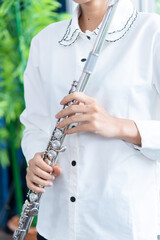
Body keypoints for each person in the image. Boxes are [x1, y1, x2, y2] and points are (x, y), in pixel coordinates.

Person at [20, 0, 160, 239]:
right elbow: (35, 125)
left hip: (123, 226)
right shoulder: (44, 42)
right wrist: (35, 157)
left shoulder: (152, 33)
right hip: (56, 227)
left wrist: (118, 125)